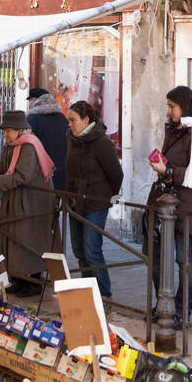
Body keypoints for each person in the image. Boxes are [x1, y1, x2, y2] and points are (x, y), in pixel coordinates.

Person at [148, 85, 192, 330]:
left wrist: (168, 171)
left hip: (185, 204)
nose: (169, 111)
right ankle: (164, 306)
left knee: (185, 261)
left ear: (184, 106)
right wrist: (163, 164)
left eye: (172, 106)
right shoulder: (175, 128)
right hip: (165, 202)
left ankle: (182, 313)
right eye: (168, 107)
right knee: (159, 257)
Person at [0, 110, 54, 297]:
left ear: (20, 130)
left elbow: (23, 176)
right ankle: (19, 279)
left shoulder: (29, 146)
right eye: (4, 130)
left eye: (8, 130)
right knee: (14, 240)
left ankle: (34, 281)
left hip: (31, 202)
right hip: (15, 199)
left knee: (29, 240)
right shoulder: (11, 145)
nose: (5, 135)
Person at [65, 101, 123, 303]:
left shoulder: (102, 143)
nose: (70, 124)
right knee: (79, 250)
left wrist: (107, 197)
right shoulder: (72, 140)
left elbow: (116, 174)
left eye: (73, 120)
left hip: (95, 203)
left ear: (86, 120)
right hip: (74, 202)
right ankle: (88, 292)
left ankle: (104, 295)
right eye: (69, 120)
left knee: (92, 250)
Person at [27, 88, 69, 191]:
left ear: (36, 101)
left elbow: (27, 149)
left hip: (41, 175)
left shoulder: (32, 119)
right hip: (62, 173)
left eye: (30, 100)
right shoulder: (62, 118)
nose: (29, 103)